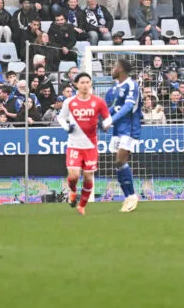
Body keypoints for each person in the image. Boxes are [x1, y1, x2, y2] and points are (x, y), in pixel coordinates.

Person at [58, 71, 110, 215]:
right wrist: (67, 127)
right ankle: (73, 191)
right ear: (76, 85)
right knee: (74, 176)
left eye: (87, 82)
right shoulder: (69, 102)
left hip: (91, 147)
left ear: (91, 84)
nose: (85, 85)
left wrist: (104, 125)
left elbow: (108, 118)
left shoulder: (98, 101)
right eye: (82, 83)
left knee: (88, 177)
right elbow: (60, 118)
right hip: (74, 144)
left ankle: (82, 205)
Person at [106, 59, 143, 214]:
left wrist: (110, 119)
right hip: (118, 130)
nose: (111, 68)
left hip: (130, 128)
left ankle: (132, 195)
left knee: (121, 159)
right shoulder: (114, 89)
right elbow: (112, 107)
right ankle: (128, 196)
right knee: (118, 163)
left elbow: (128, 107)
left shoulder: (132, 85)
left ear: (120, 69)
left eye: (114, 66)